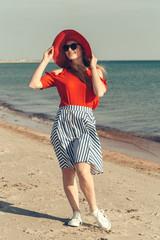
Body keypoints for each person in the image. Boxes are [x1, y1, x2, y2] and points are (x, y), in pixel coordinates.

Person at [29, 29, 111, 230]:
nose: (69, 49)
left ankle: (95, 211)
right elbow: (33, 84)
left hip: (84, 122)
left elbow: (99, 92)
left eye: (73, 46)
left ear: (83, 48)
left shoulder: (95, 71)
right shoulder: (60, 74)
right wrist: (45, 60)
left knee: (83, 169)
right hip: (63, 124)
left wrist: (92, 67)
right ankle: (76, 213)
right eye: (66, 48)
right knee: (68, 171)